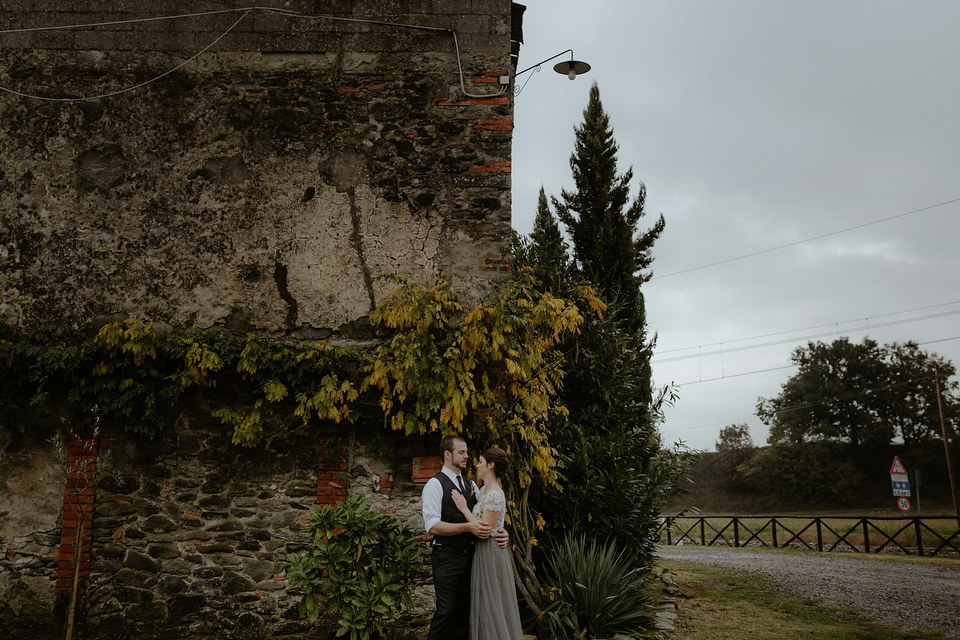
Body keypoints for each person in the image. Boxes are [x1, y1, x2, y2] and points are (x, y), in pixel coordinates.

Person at [421, 436, 509, 640]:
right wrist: (468, 527)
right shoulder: (434, 485)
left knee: (463, 615)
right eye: (461, 452)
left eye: (467, 452)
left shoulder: (471, 485)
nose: (466, 456)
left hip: (471, 557)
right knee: (446, 611)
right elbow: (432, 526)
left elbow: (490, 512)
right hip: (447, 557)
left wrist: (503, 532)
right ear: (447, 454)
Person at [451, 446, 524, 640]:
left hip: (490, 553)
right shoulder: (483, 490)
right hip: (484, 553)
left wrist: (463, 509)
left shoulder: (494, 495)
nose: (477, 466)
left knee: (492, 604)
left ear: (490, 465)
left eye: (481, 462)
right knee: (484, 605)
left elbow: (483, 531)